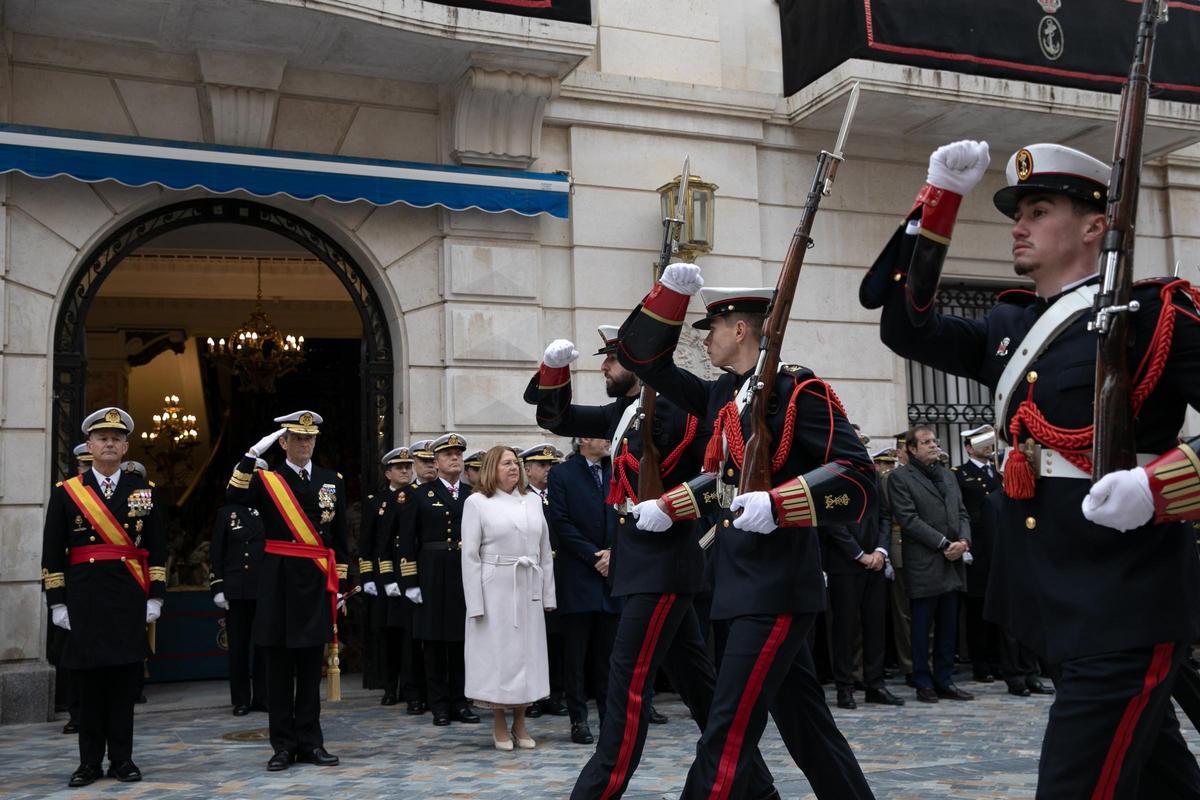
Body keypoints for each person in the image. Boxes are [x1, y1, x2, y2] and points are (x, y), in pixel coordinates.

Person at [860, 138, 1200, 796]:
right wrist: (938, 203)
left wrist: (1160, 487)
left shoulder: (1154, 316)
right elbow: (906, 327)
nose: (1018, 225)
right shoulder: (1011, 328)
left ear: (1096, 225)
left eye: (1039, 210)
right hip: (1055, 601)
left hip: (1126, 600)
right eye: (1019, 212)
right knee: (1159, 779)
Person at [619, 271, 876, 799]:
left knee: (726, 733)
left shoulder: (796, 389)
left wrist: (781, 504)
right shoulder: (722, 395)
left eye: (710, 327)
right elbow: (642, 358)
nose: (703, 339)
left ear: (740, 329)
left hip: (776, 585)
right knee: (809, 731)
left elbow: (856, 475)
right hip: (736, 583)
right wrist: (671, 293)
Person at [528, 326, 776, 799]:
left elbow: (715, 473)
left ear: (639, 363)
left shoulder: (674, 409)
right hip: (641, 564)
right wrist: (553, 371)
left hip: (662, 565)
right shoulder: (626, 411)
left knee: (627, 687)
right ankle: (760, 788)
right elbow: (556, 418)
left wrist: (672, 507)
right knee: (701, 690)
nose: (603, 367)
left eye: (613, 359)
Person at [41, 407, 166, 786]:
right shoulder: (67, 494)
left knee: (123, 686)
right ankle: (89, 762)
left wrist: (155, 596)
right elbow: (52, 553)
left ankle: (123, 760)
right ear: (89, 446)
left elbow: (158, 550)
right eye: (102, 438)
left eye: (116, 438)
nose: (109, 443)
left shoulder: (143, 493)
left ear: (126, 446)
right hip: (85, 601)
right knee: (90, 687)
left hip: (128, 600)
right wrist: (57, 602)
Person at [226, 410, 347, 771]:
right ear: (283, 443)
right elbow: (233, 494)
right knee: (278, 670)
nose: (305, 444)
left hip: (314, 582)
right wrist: (251, 455)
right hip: (277, 582)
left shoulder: (331, 480)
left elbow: (339, 536)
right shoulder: (267, 481)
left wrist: (338, 585)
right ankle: (282, 744)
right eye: (297, 438)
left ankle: (311, 742)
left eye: (310, 438)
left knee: (311, 669)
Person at [462, 445, 556, 750]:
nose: (513, 468)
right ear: (492, 468)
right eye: (506, 464)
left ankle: (521, 721)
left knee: (528, 656)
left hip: (527, 585)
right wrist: (475, 601)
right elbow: (470, 557)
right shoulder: (477, 503)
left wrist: (547, 595)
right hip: (495, 590)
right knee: (499, 657)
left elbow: (544, 552)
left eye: (515, 463)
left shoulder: (532, 501)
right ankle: (500, 722)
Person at [392, 433, 479, 726]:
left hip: (463, 572)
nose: (454, 458)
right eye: (447, 455)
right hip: (430, 572)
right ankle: (439, 704)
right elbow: (406, 542)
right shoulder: (419, 495)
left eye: (458, 454)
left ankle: (460, 701)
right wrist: (410, 582)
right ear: (437, 462)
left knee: (460, 641)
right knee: (433, 643)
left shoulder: (473, 495)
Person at [886, 426, 974, 703]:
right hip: (925, 561)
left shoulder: (947, 476)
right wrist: (943, 544)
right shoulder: (900, 478)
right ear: (911, 449)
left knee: (949, 624)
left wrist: (963, 541)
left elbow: (962, 512)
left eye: (934, 441)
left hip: (952, 561)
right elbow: (908, 519)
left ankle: (945, 679)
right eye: (926, 442)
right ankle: (922, 680)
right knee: (922, 625)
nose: (933, 446)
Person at [545, 435, 622, 745]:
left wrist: (614, 552)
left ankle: (609, 717)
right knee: (576, 655)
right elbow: (561, 523)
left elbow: (626, 513)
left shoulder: (616, 469)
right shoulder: (563, 474)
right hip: (578, 574)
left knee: (609, 655)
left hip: (611, 574)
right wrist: (594, 556)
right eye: (603, 436)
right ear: (584, 439)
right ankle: (579, 719)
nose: (608, 441)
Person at [821, 440, 904, 710]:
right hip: (846, 564)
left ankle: (875, 684)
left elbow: (883, 515)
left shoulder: (873, 476)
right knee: (845, 628)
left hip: (875, 561)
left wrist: (880, 550)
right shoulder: (830, 476)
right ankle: (845, 687)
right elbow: (832, 522)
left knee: (875, 625)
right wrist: (858, 554)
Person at [209, 457, 269, 716]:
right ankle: (241, 699)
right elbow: (216, 553)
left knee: (266, 646)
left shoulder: (272, 511)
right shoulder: (227, 512)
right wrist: (218, 587)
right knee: (239, 648)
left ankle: (264, 697)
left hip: (265, 588)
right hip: (236, 588)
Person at [518, 443, 569, 719]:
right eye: (542, 465)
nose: (548, 470)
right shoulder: (522, 498)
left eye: (552, 465)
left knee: (558, 638)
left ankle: (555, 693)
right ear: (527, 469)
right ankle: (532, 697)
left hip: (560, 572)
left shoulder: (559, 495)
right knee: (533, 640)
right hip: (532, 574)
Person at [953, 425, 1003, 685]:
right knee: (977, 608)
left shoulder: (999, 471)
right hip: (977, 549)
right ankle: (980, 663)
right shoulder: (961, 475)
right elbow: (959, 511)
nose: (988, 446)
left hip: (998, 547)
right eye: (981, 443)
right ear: (969, 447)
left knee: (998, 606)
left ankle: (999, 660)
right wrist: (965, 545)